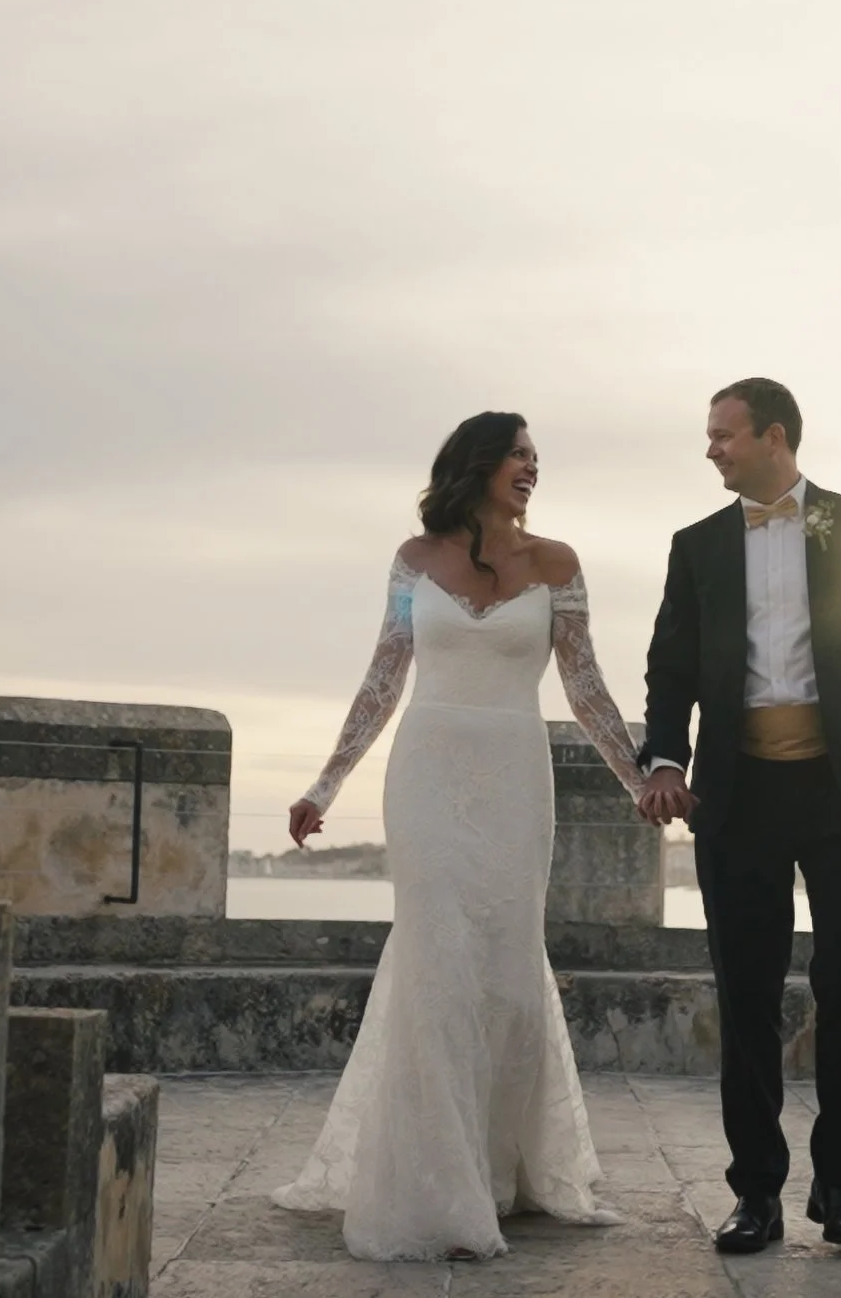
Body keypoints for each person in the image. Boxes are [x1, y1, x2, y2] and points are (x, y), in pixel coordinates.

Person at [272, 411, 649, 1261]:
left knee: (509, 970)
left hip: (518, 776)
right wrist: (324, 782)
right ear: (477, 464)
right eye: (518, 454)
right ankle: (434, 1186)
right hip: (429, 776)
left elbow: (585, 685)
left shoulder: (559, 564)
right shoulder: (414, 561)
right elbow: (383, 675)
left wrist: (639, 781)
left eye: (535, 457)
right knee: (437, 963)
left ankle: (498, 1165)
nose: (531, 466)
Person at [635, 378, 841, 1253]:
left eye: (723, 435)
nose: (711, 449)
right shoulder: (696, 544)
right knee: (746, 996)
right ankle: (757, 1196)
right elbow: (669, 667)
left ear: (773, 437)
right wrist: (665, 758)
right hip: (737, 797)